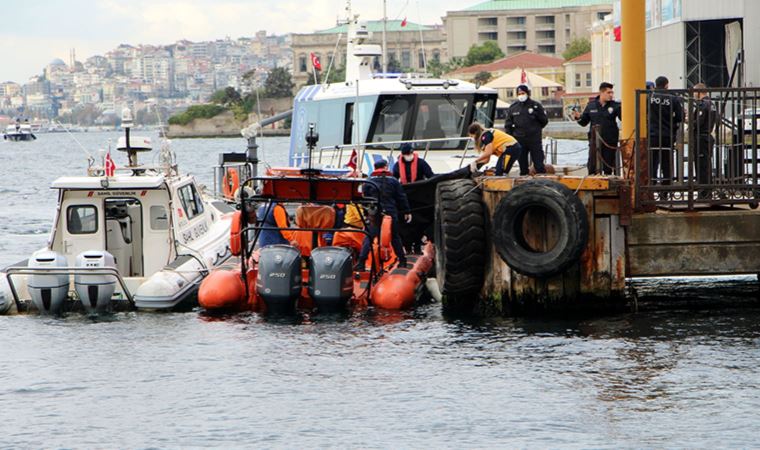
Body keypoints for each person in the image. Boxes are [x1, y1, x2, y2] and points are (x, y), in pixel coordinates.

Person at [356, 159, 412, 269]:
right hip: (390, 212)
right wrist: (406, 211)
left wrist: (366, 214)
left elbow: (364, 199)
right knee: (395, 237)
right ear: (386, 167)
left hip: (374, 213)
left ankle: (361, 263)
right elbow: (401, 197)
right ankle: (402, 261)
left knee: (369, 238)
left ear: (375, 167)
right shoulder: (394, 181)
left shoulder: (368, 181)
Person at [573, 82, 622, 175]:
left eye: (612, 92)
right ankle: (592, 179)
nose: (611, 95)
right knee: (592, 164)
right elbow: (584, 122)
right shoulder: (591, 105)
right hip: (594, 140)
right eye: (609, 92)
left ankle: (608, 181)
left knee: (608, 165)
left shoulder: (615, 105)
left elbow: (623, 118)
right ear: (601, 92)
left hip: (610, 141)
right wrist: (578, 117)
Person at [504, 84, 549, 175]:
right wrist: (511, 137)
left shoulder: (536, 106)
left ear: (527, 93)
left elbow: (544, 121)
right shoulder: (513, 107)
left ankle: (542, 181)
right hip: (519, 139)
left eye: (523, 93)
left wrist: (535, 130)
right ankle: (524, 181)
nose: (521, 95)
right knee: (522, 165)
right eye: (519, 93)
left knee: (539, 164)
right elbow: (508, 125)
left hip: (534, 139)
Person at [648, 76, 683, 188]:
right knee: (666, 163)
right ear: (667, 85)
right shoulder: (672, 98)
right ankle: (666, 190)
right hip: (667, 134)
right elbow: (680, 116)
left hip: (653, 134)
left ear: (655, 85)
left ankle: (651, 187)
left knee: (652, 162)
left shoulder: (650, 97)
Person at [690, 83, 716, 196]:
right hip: (708, 136)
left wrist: (689, 122)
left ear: (699, 92)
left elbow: (699, 122)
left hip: (701, 138)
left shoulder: (702, 104)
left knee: (701, 166)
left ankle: (703, 192)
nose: (693, 95)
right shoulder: (712, 104)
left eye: (694, 92)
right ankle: (708, 190)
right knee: (707, 164)